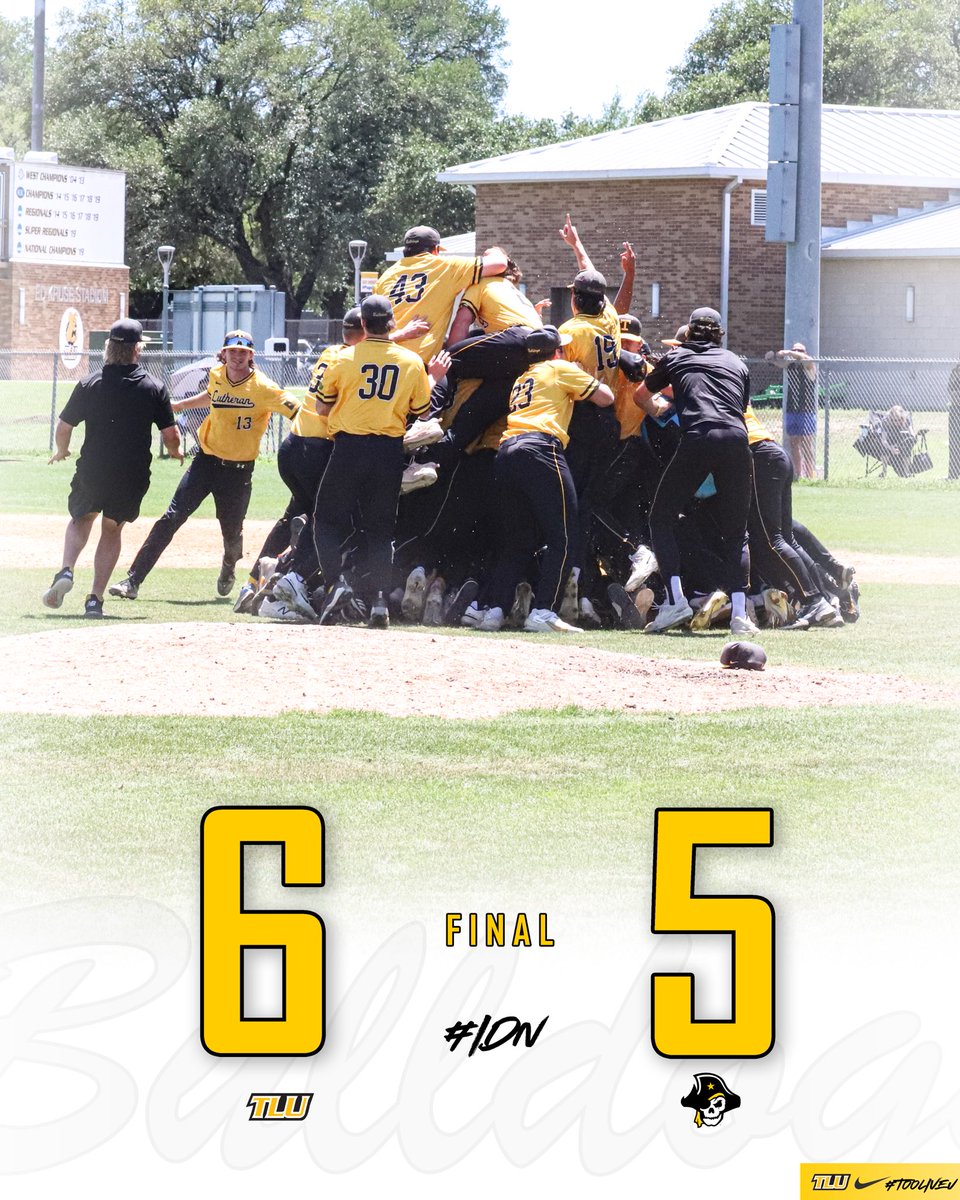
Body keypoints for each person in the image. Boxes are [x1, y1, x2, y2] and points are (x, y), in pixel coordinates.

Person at [272, 295, 450, 628]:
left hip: (349, 449)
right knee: (380, 531)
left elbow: (322, 408)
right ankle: (379, 602)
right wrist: (430, 381)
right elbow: (423, 410)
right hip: (388, 452)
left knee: (325, 521)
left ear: (364, 324)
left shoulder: (343, 358)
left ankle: (335, 584)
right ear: (392, 323)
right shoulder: (411, 361)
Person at [109, 329, 298, 600]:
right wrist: (180, 405)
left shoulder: (263, 387)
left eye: (243, 352)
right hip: (205, 462)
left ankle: (229, 564)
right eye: (233, 351)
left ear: (251, 356)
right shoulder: (217, 375)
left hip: (238, 471)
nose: (237, 357)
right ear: (224, 353)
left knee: (232, 534)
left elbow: (297, 410)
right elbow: (211, 396)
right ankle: (133, 580)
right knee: (171, 517)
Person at [462, 325, 615, 633]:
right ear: (555, 352)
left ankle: (494, 610)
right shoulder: (559, 369)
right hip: (541, 449)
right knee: (564, 536)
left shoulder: (523, 377)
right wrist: (581, 373)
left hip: (506, 451)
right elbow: (606, 397)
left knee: (516, 540)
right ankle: (543, 610)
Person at [42, 318, 181, 618]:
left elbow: (64, 427)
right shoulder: (154, 387)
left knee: (81, 519)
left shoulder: (90, 383)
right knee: (111, 529)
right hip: (131, 474)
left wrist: (62, 450)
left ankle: (66, 570)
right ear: (137, 349)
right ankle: (95, 599)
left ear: (108, 348)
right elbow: (170, 435)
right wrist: (176, 451)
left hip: (94, 469)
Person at [634, 306, 756, 635]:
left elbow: (640, 395)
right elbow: (739, 407)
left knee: (661, 518)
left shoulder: (676, 357)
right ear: (720, 335)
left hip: (698, 437)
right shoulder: (736, 362)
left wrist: (658, 409)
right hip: (736, 440)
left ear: (688, 333)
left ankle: (675, 601)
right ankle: (740, 615)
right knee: (737, 533)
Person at [766, 341, 818, 479]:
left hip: (806, 411)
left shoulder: (809, 366)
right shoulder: (791, 365)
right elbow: (776, 361)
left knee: (807, 443)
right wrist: (772, 357)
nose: (796, 353)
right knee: (794, 443)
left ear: (804, 352)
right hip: (792, 410)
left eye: (799, 351)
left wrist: (789, 352)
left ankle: (810, 475)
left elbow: (807, 360)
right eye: (795, 350)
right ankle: (797, 474)